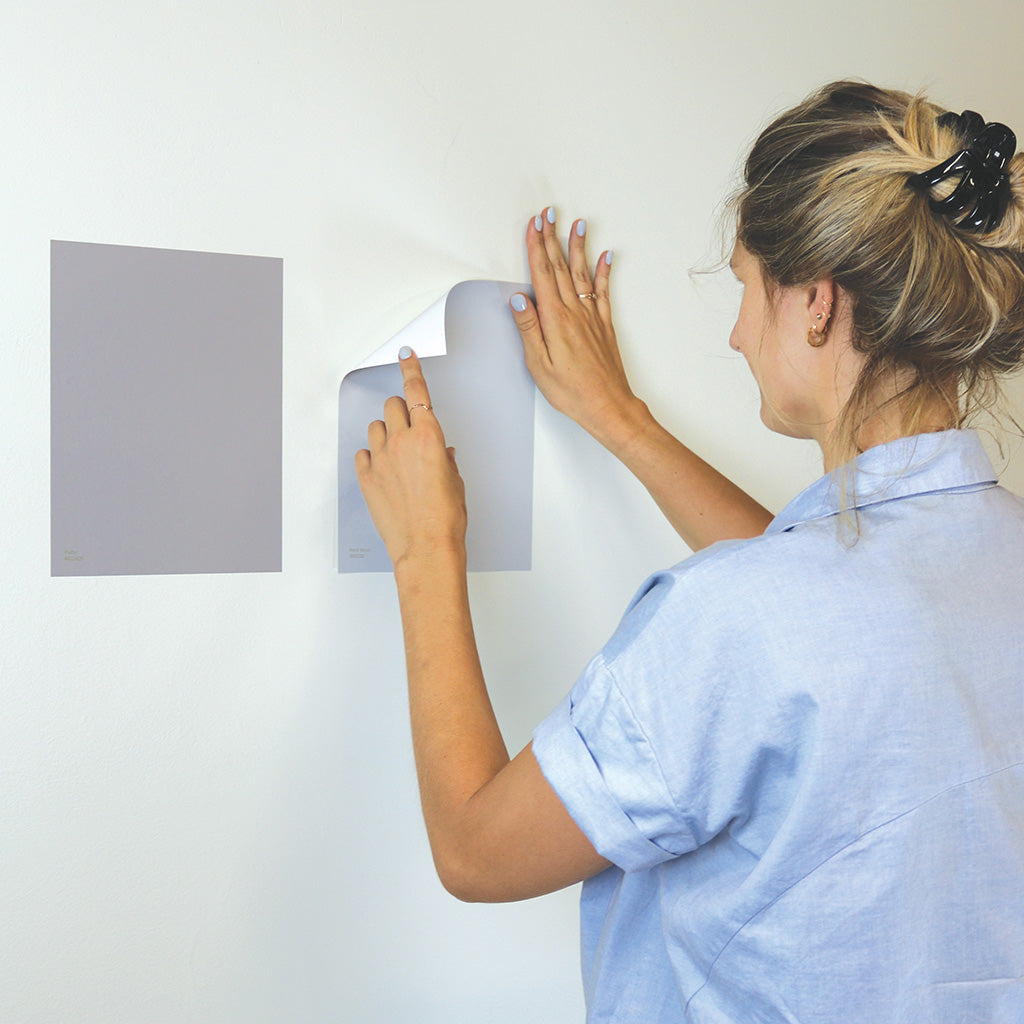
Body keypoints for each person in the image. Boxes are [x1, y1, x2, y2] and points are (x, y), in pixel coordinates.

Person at [354, 81, 1024, 1022]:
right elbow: (831, 618)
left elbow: (474, 849)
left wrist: (425, 547)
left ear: (818, 302)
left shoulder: (747, 620)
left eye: (747, 287)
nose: (738, 333)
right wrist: (622, 421)